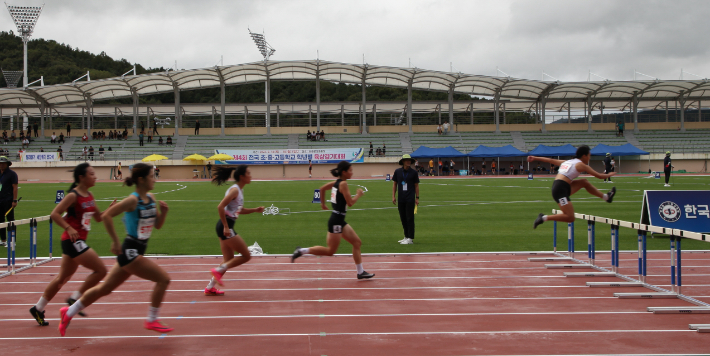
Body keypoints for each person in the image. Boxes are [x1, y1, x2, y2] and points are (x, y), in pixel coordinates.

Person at [58, 163, 173, 336]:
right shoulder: (133, 200)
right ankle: (151, 319)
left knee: (105, 289)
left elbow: (157, 225)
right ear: (141, 180)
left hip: (138, 250)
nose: (154, 180)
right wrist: (115, 242)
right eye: (151, 176)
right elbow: (106, 216)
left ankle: (69, 311)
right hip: (130, 250)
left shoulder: (152, 198)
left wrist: (163, 213)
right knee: (163, 279)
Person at [29, 163, 114, 326]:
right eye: (91, 174)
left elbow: (98, 218)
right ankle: (75, 298)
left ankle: (38, 308)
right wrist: (68, 228)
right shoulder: (73, 196)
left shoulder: (89, 195)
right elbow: (54, 214)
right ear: (81, 177)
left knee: (62, 278)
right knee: (101, 270)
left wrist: (109, 210)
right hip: (73, 240)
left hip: (76, 241)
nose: (95, 176)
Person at [291, 161, 374, 279]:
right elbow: (350, 203)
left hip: (339, 219)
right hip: (337, 221)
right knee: (330, 251)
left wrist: (323, 204)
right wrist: (358, 195)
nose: (352, 173)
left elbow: (322, 188)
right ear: (344, 172)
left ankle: (360, 272)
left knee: (357, 242)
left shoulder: (337, 182)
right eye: (350, 170)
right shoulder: (343, 184)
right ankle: (302, 251)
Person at [205, 165, 265, 295]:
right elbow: (220, 207)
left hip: (223, 225)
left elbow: (239, 210)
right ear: (242, 176)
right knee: (246, 256)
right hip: (225, 226)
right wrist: (226, 226)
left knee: (229, 258)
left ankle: (210, 287)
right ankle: (218, 270)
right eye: (248, 173)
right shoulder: (234, 190)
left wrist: (255, 210)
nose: (251, 175)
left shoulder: (239, 191)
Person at [531, 145, 616, 229]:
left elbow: (550, 160)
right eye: (589, 156)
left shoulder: (568, 162)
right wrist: (609, 174)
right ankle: (543, 218)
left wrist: (535, 158)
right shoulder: (581, 165)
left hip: (562, 186)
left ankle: (607, 197)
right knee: (570, 217)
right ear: (584, 156)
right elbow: (599, 176)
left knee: (584, 182)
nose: (589, 158)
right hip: (560, 190)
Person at [393, 155, 420, 245]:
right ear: (403, 162)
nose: (408, 162)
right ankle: (406, 236)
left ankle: (410, 238)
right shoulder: (397, 172)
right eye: (406, 160)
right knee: (403, 218)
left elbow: (416, 185)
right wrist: (393, 196)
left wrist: (417, 197)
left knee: (410, 218)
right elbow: (395, 184)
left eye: (409, 160)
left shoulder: (414, 173)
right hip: (401, 198)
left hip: (410, 198)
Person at [0, 157, 18, 248]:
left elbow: (15, 187)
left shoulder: (12, 174)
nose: (1, 165)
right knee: (0, 221)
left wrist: (14, 200)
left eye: (3, 163)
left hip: (8, 200)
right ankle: (3, 240)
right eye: (0, 163)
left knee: (10, 220)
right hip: (0, 200)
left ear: (7, 164)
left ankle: (12, 240)